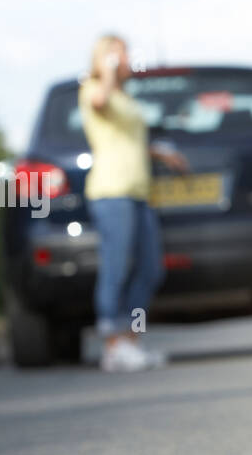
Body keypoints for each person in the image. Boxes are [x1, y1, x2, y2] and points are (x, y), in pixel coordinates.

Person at [79, 34, 188, 372]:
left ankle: (130, 341)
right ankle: (113, 345)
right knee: (116, 267)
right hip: (111, 192)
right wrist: (108, 70)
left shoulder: (124, 96)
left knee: (150, 268)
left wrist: (160, 153)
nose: (126, 60)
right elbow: (98, 103)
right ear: (104, 59)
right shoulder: (94, 89)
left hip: (138, 192)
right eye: (119, 55)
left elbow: (127, 139)